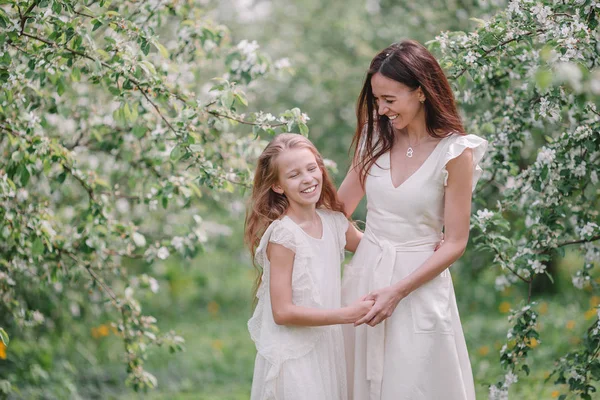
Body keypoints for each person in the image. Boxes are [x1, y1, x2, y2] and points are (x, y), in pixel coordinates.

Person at [338, 40, 488, 400]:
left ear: (421, 92)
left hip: (419, 288)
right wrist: (371, 249)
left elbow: (455, 241)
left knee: (414, 383)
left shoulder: (455, 152)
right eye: (376, 99)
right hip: (366, 283)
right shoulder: (374, 141)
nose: (382, 109)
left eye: (390, 99)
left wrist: (398, 289)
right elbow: (334, 214)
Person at [245, 133, 373, 400]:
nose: (307, 179)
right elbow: (282, 312)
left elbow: (375, 247)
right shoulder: (283, 236)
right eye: (293, 175)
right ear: (278, 186)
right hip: (295, 355)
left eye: (312, 168)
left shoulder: (335, 222)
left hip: (327, 349)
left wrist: (423, 242)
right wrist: (348, 314)